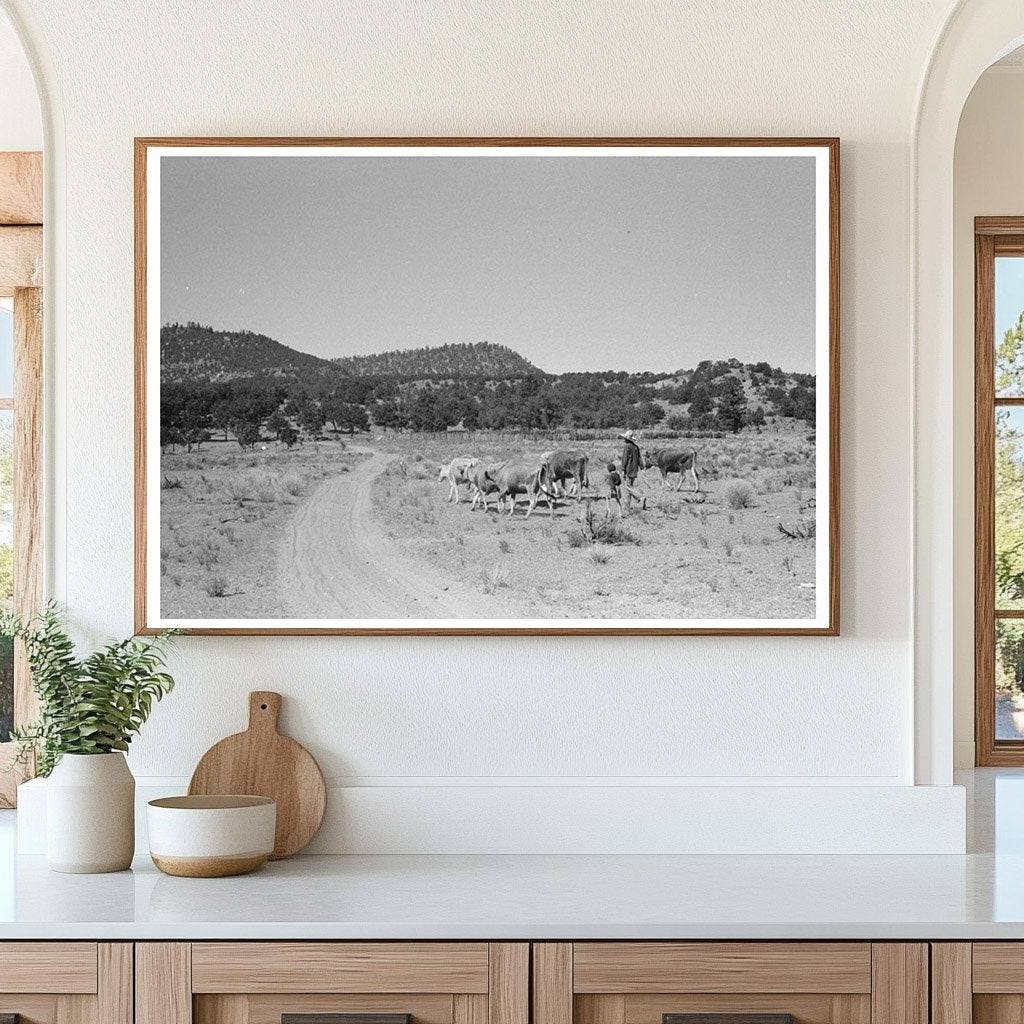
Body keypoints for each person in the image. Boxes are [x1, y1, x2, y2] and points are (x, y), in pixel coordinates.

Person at [617, 430, 647, 514]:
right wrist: (642, 468)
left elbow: (625, 458)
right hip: (634, 469)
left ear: (627, 439)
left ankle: (639, 497)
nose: (623, 439)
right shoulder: (635, 447)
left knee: (627, 488)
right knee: (629, 487)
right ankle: (627, 507)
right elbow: (639, 458)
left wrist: (623, 469)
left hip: (628, 469)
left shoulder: (627, 446)